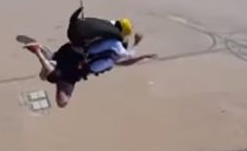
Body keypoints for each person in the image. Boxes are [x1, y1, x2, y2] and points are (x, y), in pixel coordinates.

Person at [23, 34, 157, 108]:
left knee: (52, 75)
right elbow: (127, 60)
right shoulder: (113, 55)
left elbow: (128, 59)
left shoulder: (111, 49)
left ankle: (44, 53)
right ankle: (39, 51)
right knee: (54, 77)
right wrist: (140, 52)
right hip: (75, 68)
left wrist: (139, 49)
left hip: (71, 59)